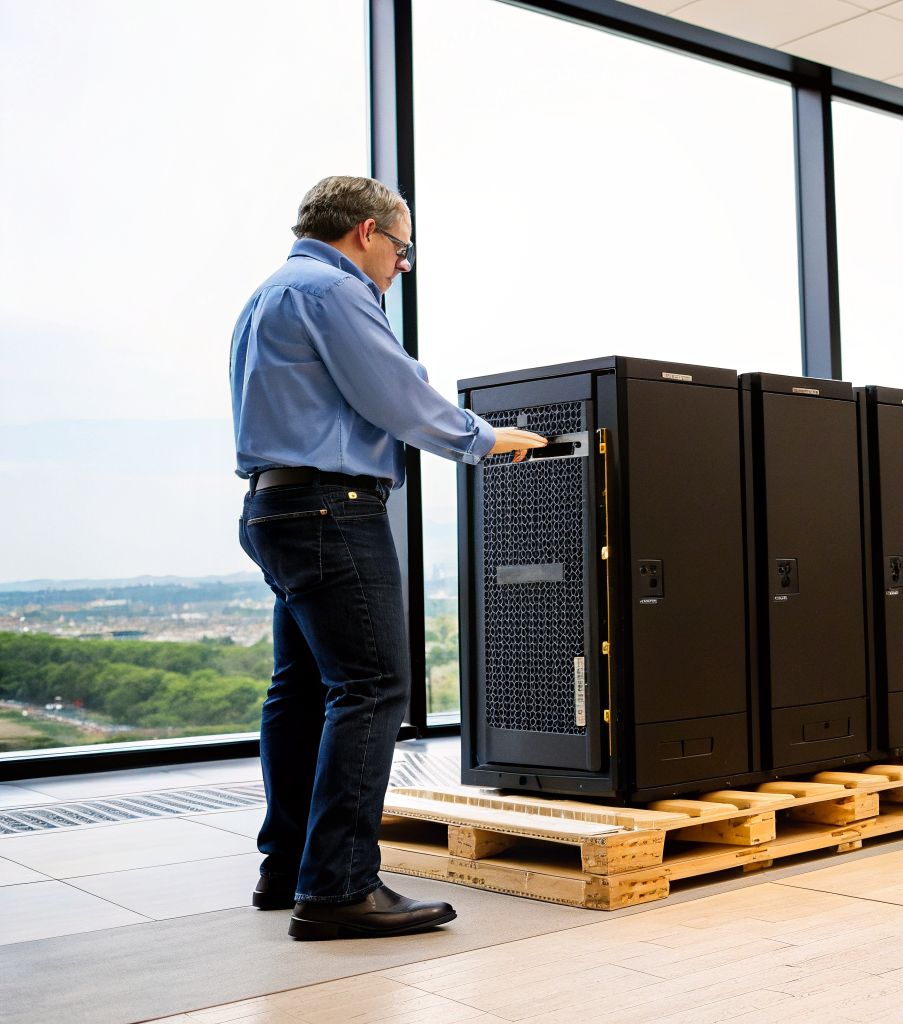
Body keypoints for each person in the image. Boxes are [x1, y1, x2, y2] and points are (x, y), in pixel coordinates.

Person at [230, 175, 544, 940]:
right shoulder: (331, 291)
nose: (402, 266)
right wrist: (483, 438)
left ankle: (289, 866)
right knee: (373, 687)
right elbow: (393, 393)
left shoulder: (269, 292)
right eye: (402, 250)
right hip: (331, 508)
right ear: (366, 233)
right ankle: (338, 889)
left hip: (276, 506)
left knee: (302, 690)